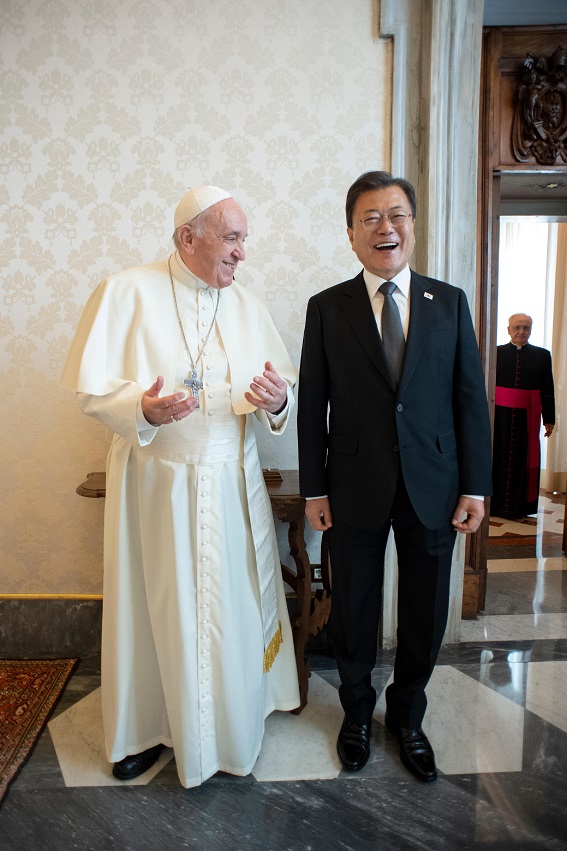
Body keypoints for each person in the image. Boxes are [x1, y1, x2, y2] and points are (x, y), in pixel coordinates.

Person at [61, 185, 300, 788]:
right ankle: (146, 730)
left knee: (228, 609)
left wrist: (279, 402)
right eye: (232, 237)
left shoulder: (245, 305)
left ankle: (233, 723)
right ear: (187, 238)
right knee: (153, 607)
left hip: (230, 481)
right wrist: (140, 409)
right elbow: (93, 391)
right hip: (155, 482)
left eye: (245, 238)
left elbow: (279, 390)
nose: (243, 253)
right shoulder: (127, 290)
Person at [297, 170, 492, 782]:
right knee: (353, 608)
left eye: (397, 214)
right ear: (351, 234)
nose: (386, 227)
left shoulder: (449, 302)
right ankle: (356, 715)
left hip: (435, 485)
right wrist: (314, 487)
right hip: (352, 486)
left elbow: (469, 400)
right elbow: (312, 404)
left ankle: (407, 717)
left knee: (425, 608)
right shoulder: (327, 308)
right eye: (371, 218)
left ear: (413, 224)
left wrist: (476, 485)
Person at [492, 313, 555, 519]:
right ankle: (495, 505)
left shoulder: (542, 355)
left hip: (528, 418)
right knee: (497, 457)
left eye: (526, 328)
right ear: (508, 329)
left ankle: (522, 507)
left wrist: (549, 419)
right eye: (517, 327)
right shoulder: (496, 353)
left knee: (523, 460)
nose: (522, 331)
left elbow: (547, 389)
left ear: (531, 330)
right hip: (498, 417)